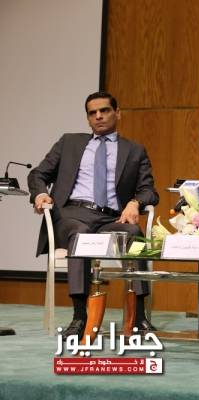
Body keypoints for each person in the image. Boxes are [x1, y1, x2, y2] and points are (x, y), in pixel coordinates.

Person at [28, 91, 159, 339]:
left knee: (135, 234)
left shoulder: (134, 150)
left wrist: (135, 203)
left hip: (111, 218)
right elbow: (38, 174)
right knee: (81, 234)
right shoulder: (69, 142)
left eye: (104, 110)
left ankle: (139, 317)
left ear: (117, 113)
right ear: (88, 118)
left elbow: (148, 190)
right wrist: (40, 194)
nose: (98, 116)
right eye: (92, 113)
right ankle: (80, 317)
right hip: (72, 215)